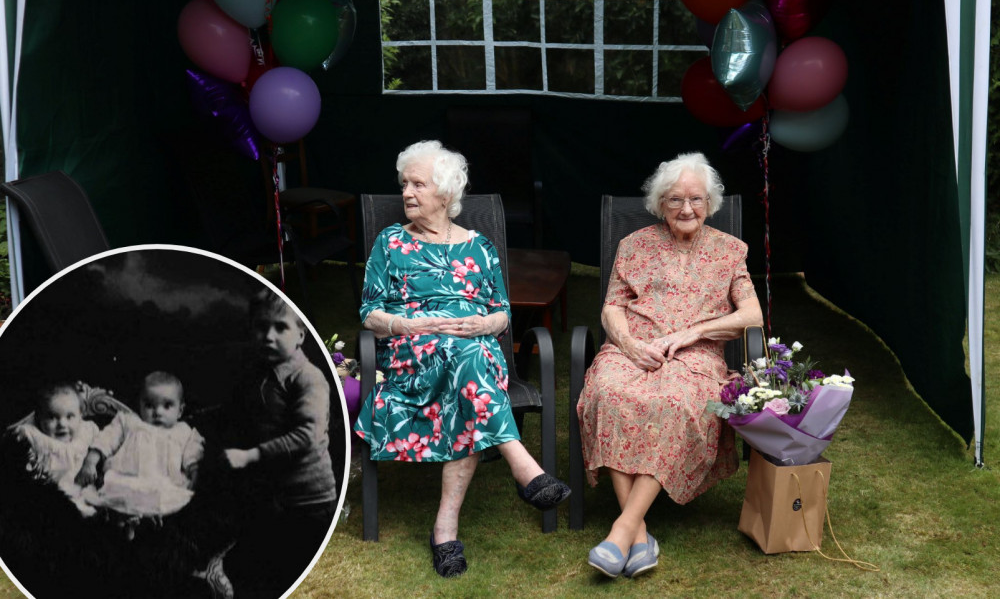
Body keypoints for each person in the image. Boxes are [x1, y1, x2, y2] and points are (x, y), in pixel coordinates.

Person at [353, 139, 570, 578]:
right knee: (463, 360)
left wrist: (483, 325)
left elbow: (503, 314)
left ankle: (445, 528)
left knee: (466, 359)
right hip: (412, 357)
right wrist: (412, 326)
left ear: (446, 193)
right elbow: (369, 312)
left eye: (418, 184)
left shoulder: (480, 247)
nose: (407, 194)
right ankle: (522, 467)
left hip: (473, 354)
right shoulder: (390, 242)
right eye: (404, 184)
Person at [577, 152, 763, 579]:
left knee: (675, 402)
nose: (686, 209)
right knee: (609, 392)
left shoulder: (730, 251)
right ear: (661, 203)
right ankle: (638, 536)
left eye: (696, 199)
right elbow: (612, 308)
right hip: (632, 347)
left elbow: (751, 315)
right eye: (676, 200)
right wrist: (627, 344)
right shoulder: (634, 245)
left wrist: (694, 333)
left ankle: (622, 529)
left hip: (695, 358)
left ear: (710, 203)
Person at [222, 289, 337, 598]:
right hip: (272, 495)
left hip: (308, 500)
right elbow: (241, 415)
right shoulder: (257, 374)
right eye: (261, 327)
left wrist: (251, 456)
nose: (268, 336)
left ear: (300, 333)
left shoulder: (307, 377)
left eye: (280, 327)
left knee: (299, 571)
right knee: (266, 570)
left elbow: (308, 435)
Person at [75, 371, 204, 517]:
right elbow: (107, 439)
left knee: (169, 499)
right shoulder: (129, 421)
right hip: (128, 480)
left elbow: (194, 454)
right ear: (140, 405)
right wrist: (90, 461)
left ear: (180, 410)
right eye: (149, 405)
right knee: (118, 495)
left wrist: (194, 473)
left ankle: (147, 520)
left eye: (167, 406)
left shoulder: (183, 431)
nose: (158, 412)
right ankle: (127, 521)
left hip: (164, 484)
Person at [13, 383, 100, 514]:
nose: (62, 424)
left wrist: (90, 463)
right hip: (49, 498)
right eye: (52, 417)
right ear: (39, 418)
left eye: (70, 416)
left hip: (82, 491)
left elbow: (102, 446)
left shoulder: (86, 431)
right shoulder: (36, 437)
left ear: (80, 415)